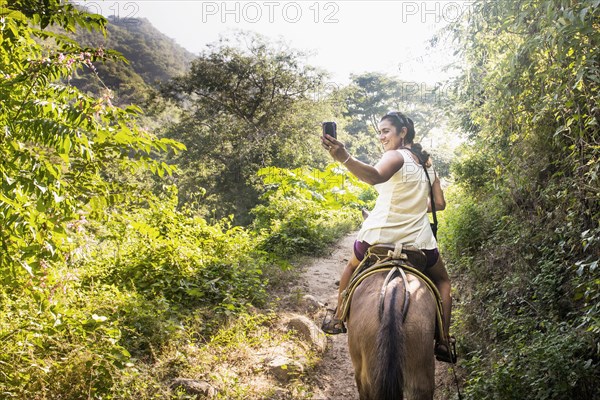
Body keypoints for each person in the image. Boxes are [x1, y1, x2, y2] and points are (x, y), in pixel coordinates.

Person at [320, 111, 455, 363]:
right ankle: (444, 341)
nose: (381, 136)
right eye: (380, 132)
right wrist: (413, 205)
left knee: (351, 267)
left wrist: (344, 157)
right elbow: (439, 203)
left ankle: (338, 318)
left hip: (378, 239)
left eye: (386, 131)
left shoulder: (394, 156)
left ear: (403, 133)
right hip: (420, 244)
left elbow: (374, 176)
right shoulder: (428, 165)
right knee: (443, 282)